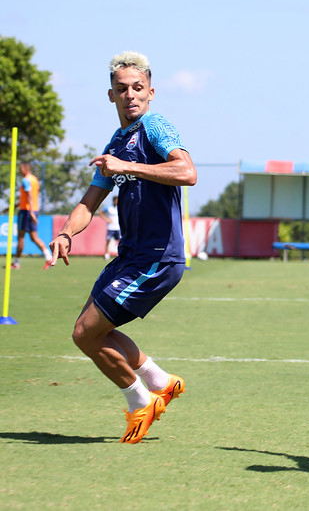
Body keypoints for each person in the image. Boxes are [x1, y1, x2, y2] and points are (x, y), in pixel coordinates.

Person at [48, 51, 197, 443]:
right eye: (122, 89)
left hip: (156, 258)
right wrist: (66, 233)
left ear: (151, 91)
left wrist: (127, 167)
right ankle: (161, 382)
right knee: (93, 333)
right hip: (130, 255)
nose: (130, 95)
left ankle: (139, 401)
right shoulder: (117, 141)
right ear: (110, 95)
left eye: (137, 88)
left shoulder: (155, 127)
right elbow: (88, 202)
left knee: (86, 334)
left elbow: (187, 172)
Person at [10, 161, 53, 269]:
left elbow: (29, 195)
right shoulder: (34, 180)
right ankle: (48, 258)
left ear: (25, 168)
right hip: (33, 209)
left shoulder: (25, 180)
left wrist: (31, 212)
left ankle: (16, 263)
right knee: (34, 237)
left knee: (21, 237)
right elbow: (30, 197)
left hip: (26, 211)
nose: (19, 171)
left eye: (20, 168)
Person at [98, 195, 121, 260]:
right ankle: (107, 254)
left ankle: (119, 254)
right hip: (110, 227)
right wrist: (107, 219)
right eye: (116, 200)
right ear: (114, 201)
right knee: (108, 241)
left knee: (119, 241)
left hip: (118, 227)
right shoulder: (108, 208)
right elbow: (100, 213)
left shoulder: (119, 207)